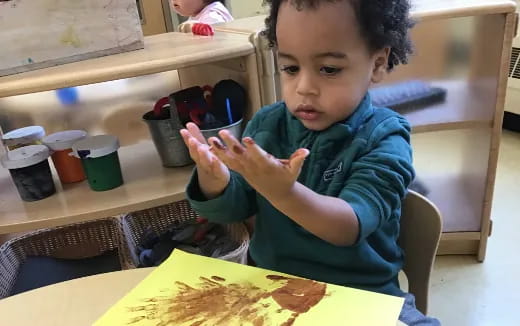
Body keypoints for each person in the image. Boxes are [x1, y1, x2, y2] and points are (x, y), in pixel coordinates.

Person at [180, 0, 440, 324]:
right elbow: (236, 208)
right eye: (290, 68)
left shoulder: (385, 138)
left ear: (377, 64)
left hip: (362, 298)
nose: (304, 87)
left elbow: (349, 226)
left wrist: (283, 193)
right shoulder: (267, 125)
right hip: (273, 291)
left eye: (328, 69)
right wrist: (215, 182)